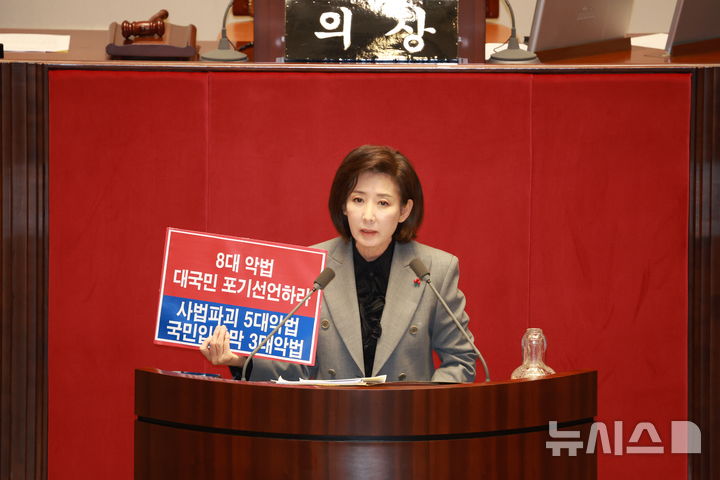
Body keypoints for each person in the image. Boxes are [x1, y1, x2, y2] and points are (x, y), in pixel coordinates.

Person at [201, 145, 477, 382]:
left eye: (383, 203)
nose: (368, 216)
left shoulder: (435, 269)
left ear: (404, 210)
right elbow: (296, 369)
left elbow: (461, 360)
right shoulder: (313, 265)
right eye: (358, 200)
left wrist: (425, 407)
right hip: (329, 419)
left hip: (407, 421)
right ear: (344, 205)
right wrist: (239, 360)